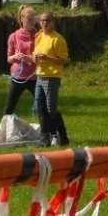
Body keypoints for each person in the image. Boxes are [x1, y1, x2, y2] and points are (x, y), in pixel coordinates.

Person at [33, 11, 70, 147]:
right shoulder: (38, 37)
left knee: (51, 109)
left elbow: (64, 59)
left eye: (47, 21)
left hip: (52, 77)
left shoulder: (57, 39)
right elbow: (34, 53)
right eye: (42, 21)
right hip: (40, 75)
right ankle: (44, 138)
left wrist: (48, 58)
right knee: (40, 108)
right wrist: (34, 58)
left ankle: (63, 136)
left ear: (52, 22)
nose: (44, 23)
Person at [3, 6, 38, 116]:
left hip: (35, 77)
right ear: (22, 19)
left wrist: (31, 59)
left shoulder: (39, 36)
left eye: (34, 19)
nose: (32, 22)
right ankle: (4, 131)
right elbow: (9, 59)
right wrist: (15, 57)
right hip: (17, 78)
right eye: (29, 19)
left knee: (43, 106)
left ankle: (47, 131)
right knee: (9, 107)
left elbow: (42, 57)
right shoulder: (13, 36)